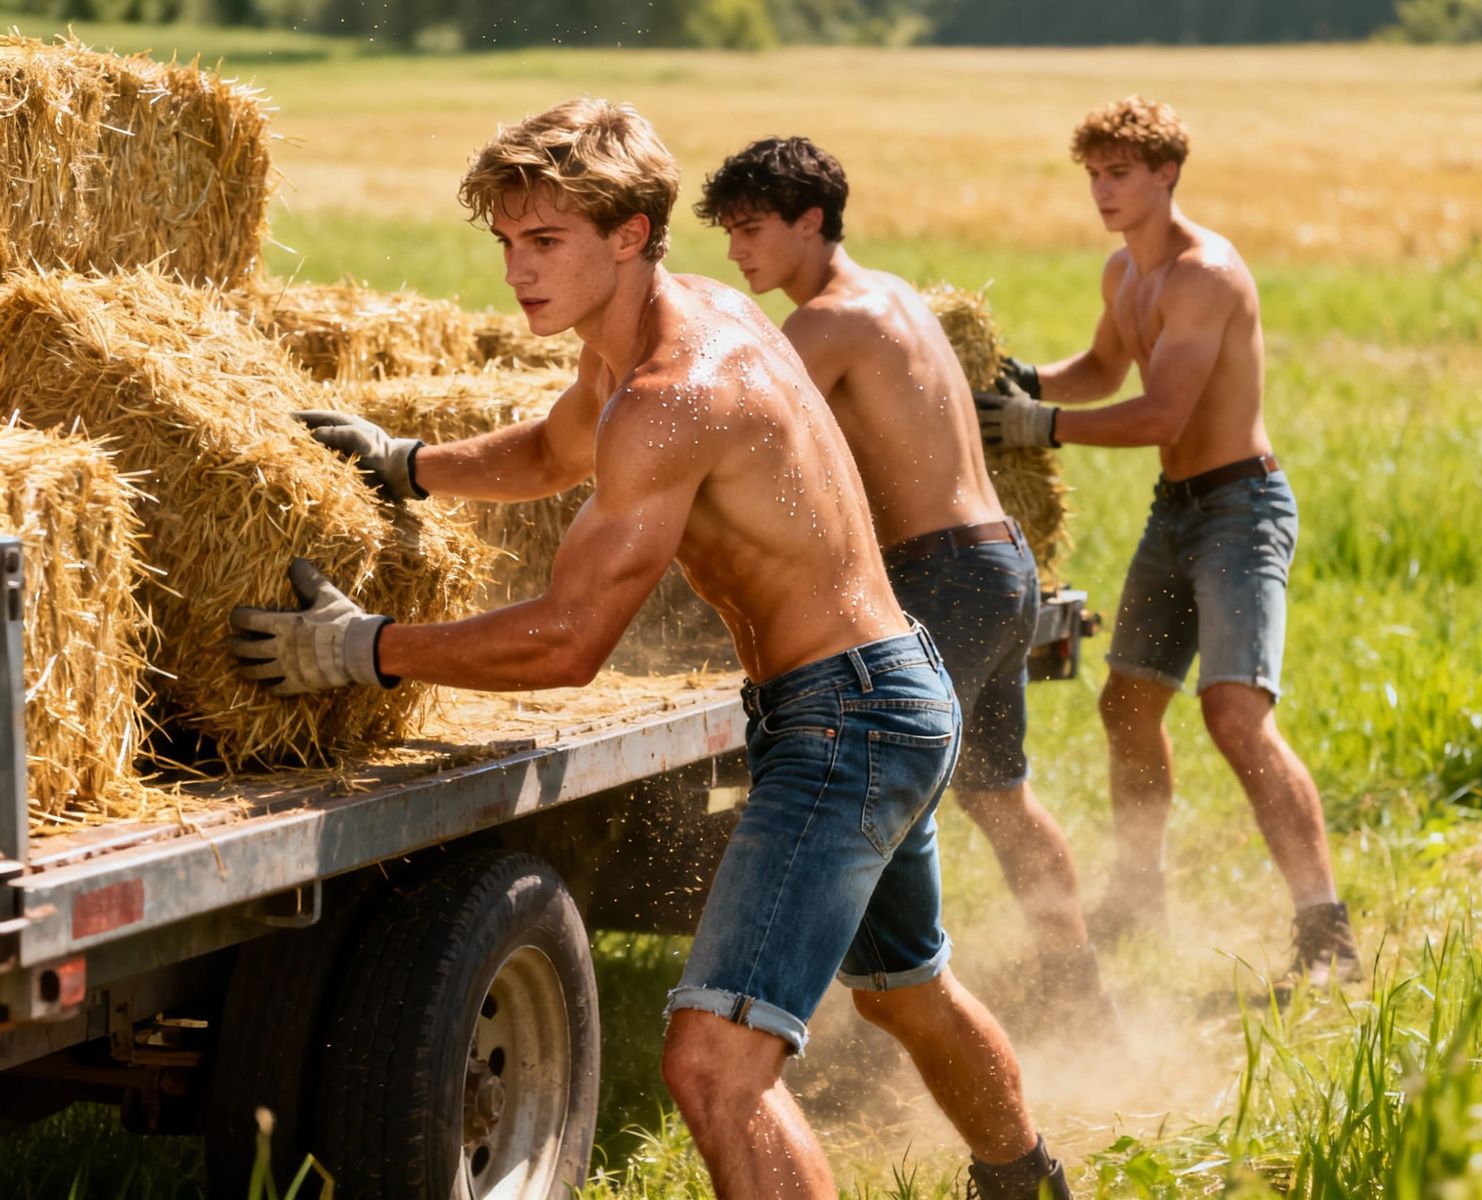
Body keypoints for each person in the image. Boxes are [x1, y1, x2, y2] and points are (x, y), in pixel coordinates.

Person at [228, 99, 1070, 1200]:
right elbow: (549, 450)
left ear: (629, 234)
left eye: (545, 243)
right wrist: (407, 460)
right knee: (903, 990)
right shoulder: (663, 334)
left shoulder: (677, 395)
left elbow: (571, 640)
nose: (516, 273)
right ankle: (1029, 1182)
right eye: (507, 243)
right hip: (882, 692)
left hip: (846, 720)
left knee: (714, 1069)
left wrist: (364, 648)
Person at [695, 135, 1115, 1033]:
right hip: (1001, 564)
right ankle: (1079, 996)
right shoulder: (897, 298)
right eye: (728, 234)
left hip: (941, 576)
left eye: (751, 230)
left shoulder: (826, 322)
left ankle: (882, 1025)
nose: (736, 254)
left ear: (810, 222)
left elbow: (729, 432)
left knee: (876, 788)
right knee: (999, 797)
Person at [975, 96, 1359, 1003]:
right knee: (1127, 703)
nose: (1103, 191)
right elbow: (1104, 372)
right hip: (1174, 509)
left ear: (1166, 175)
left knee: (1234, 715)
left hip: (1240, 507)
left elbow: (1161, 413)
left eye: (1120, 174)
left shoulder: (1204, 274)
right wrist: (1010, 381)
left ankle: (1325, 929)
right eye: (1094, 175)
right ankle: (1140, 896)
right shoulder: (1126, 272)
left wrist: (1040, 423)